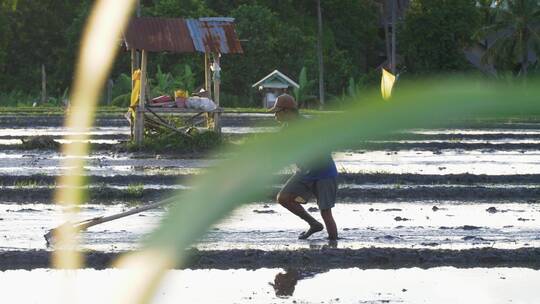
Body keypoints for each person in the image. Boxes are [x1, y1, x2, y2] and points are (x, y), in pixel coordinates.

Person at [269, 94, 339, 240]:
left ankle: (334, 245)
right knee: (283, 197)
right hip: (304, 172)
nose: (275, 115)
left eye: (277, 112)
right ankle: (314, 224)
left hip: (324, 173)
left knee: (326, 212)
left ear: (287, 112)